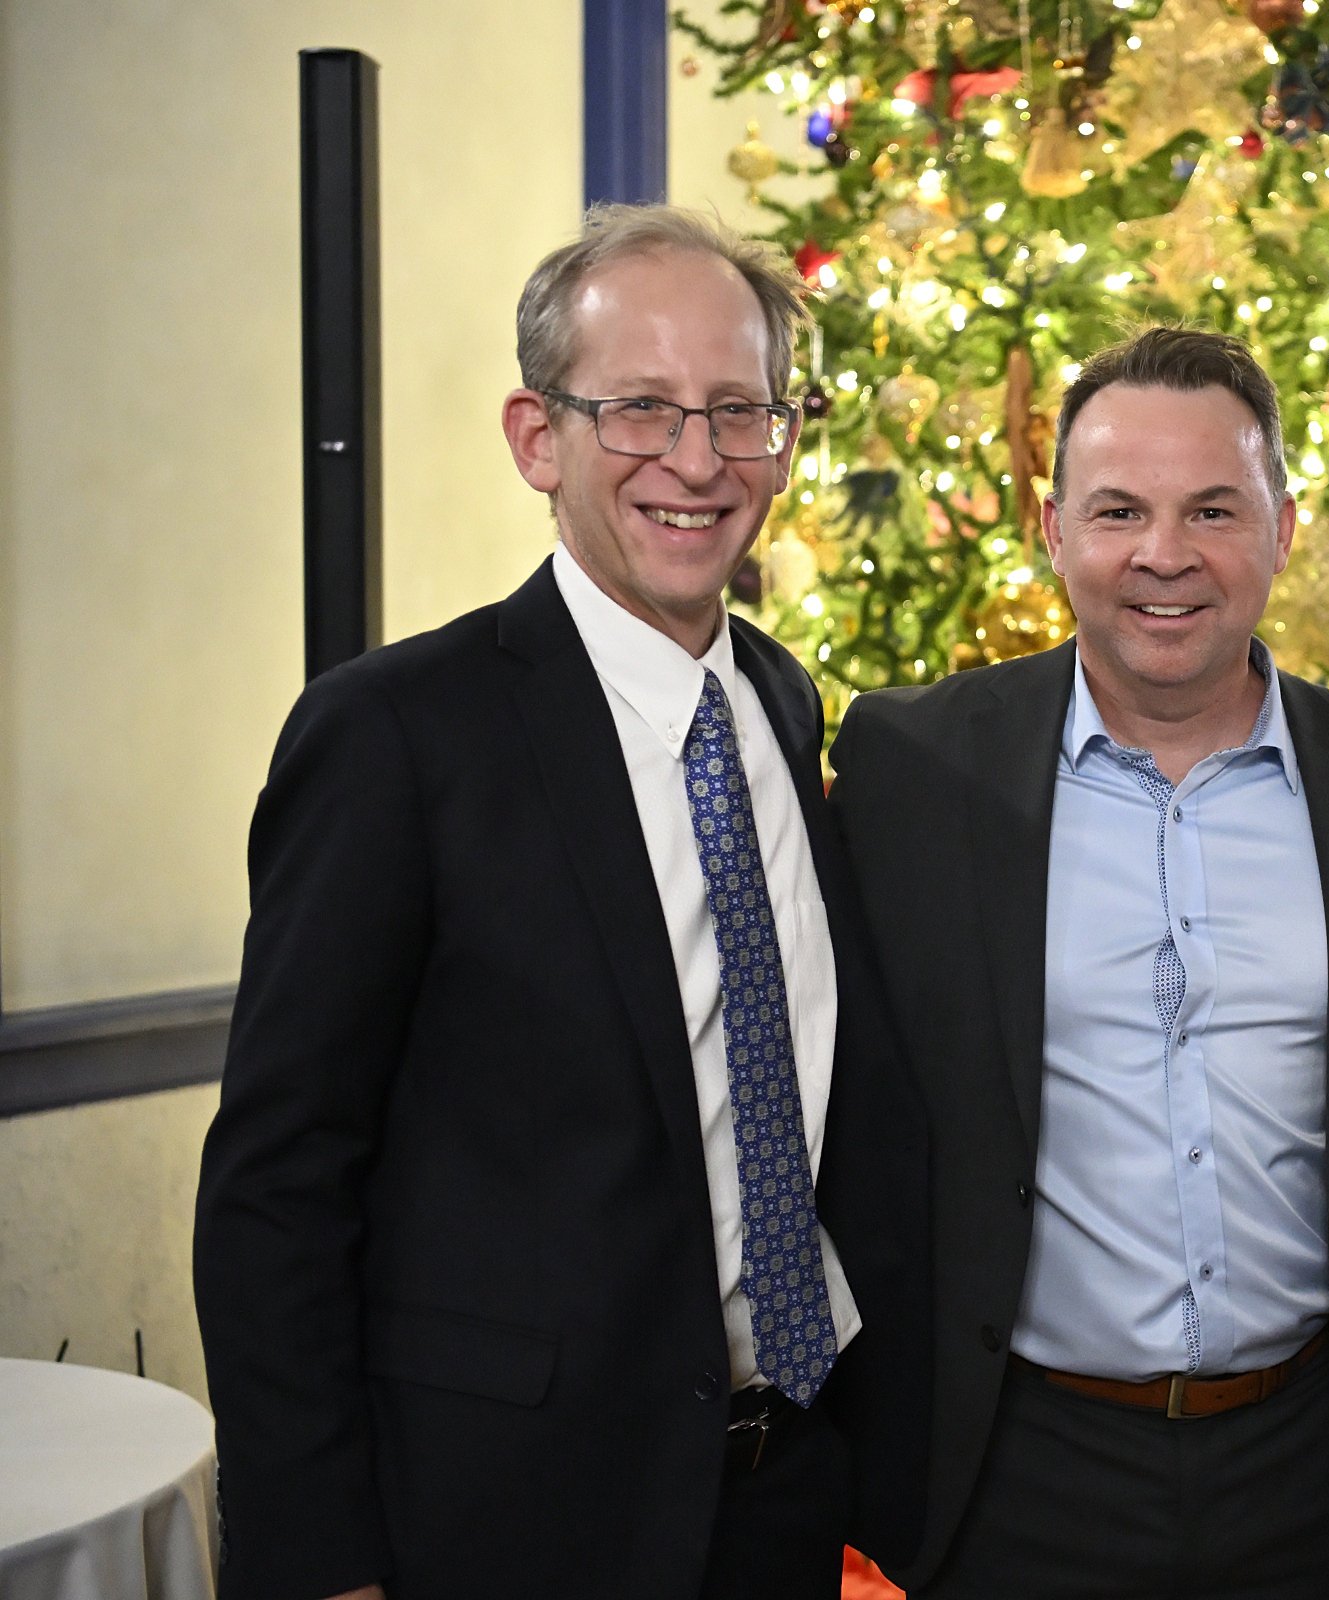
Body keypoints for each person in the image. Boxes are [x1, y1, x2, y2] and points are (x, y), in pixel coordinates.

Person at [192, 204, 923, 1600]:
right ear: (539, 438)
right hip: (510, 1518)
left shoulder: (782, 703)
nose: (698, 461)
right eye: (639, 409)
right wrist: (319, 1560)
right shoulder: (396, 736)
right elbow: (278, 1187)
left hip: (782, 1497)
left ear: (784, 439)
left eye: (740, 411)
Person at [829, 327, 1329, 1599]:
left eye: (1213, 509)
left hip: (1311, 1467)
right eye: (1119, 511)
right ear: (1053, 530)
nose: (1165, 554)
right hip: (1017, 1469)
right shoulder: (913, 768)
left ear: (1283, 528)